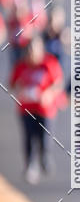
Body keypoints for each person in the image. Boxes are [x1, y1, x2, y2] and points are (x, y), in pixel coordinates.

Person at [10, 34, 64, 183]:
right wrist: (20, 89)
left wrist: (48, 93)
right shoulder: (21, 65)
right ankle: (30, 165)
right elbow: (13, 84)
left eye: (35, 49)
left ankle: (45, 157)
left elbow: (58, 83)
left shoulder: (49, 63)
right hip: (26, 107)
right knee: (28, 136)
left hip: (45, 108)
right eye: (29, 50)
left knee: (44, 136)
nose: (32, 53)